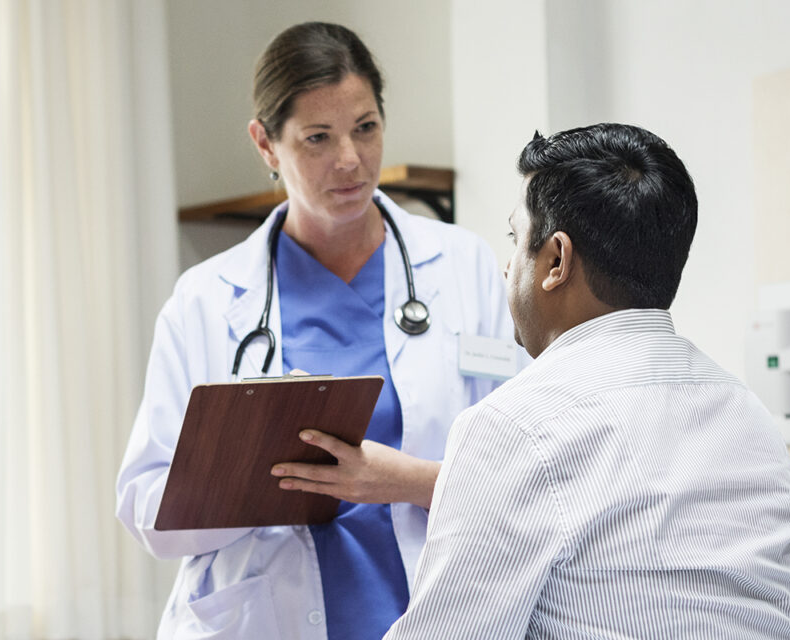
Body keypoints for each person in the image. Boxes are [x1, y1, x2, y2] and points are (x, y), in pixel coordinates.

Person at [115, 22, 523, 639]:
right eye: (317, 138)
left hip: (434, 610)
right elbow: (146, 505)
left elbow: (526, 470)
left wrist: (403, 482)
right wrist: (253, 472)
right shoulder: (203, 300)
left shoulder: (463, 266)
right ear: (265, 144)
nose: (351, 160)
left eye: (365, 127)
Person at [385, 124, 790, 639]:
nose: (506, 268)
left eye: (516, 240)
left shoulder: (513, 426)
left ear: (556, 261)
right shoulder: (748, 413)